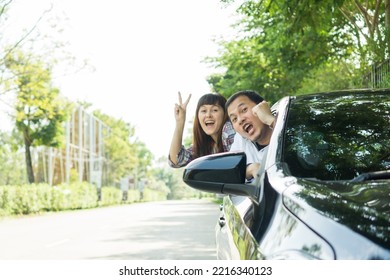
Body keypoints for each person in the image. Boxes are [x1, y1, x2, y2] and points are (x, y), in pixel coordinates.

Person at [169, 92, 235, 168]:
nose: (208, 115)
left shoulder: (228, 128)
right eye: (204, 111)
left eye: (214, 110)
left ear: (225, 114)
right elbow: (176, 161)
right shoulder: (205, 146)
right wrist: (180, 121)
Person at [226, 90, 276, 179]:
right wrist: (250, 169)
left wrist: (269, 119)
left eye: (244, 110)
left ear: (262, 107)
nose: (240, 120)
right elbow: (229, 172)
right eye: (234, 119)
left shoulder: (286, 120)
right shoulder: (241, 139)